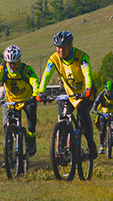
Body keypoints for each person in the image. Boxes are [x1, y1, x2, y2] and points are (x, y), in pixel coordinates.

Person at [37, 31, 98, 159]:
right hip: (68, 91)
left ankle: (90, 143)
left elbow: (87, 73)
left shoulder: (81, 57)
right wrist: (41, 91)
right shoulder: (54, 58)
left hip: (85, 91)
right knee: (62, 117)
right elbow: (47, 74)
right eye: (58, 47)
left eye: (63, 47)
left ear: (70, 46)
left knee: (82, 113)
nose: (60, 50)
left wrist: (87, 89)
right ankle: (61, 150)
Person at [0, 45, 40, 155]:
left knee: (31, 118)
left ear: (19, 60)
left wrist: (35, 94)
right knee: (7, 127)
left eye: (15, 62)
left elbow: (34, 81)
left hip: (26, 99)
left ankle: (31, 139)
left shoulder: (26, 69)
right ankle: (8, 154)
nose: (13, 65)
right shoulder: (1, 69)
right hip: (10, 101)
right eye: (10, 63)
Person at [93, 81, 113, 154]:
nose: (109, 93)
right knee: (102, 128)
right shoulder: (101, 95)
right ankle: (101, 145)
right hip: (104, 112)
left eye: (110, 91)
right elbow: (96, 102)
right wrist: (94, 109)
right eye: (107, 91)